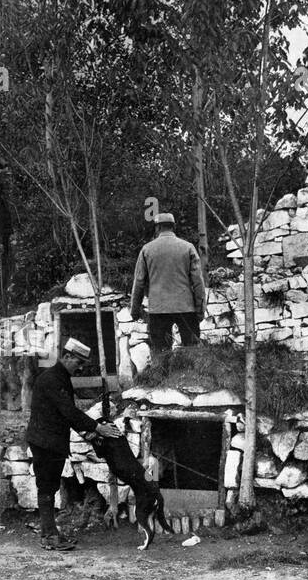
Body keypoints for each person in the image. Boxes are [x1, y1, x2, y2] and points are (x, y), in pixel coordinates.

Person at [26, 338, 123, 551]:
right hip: (45, 442)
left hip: (50, 441)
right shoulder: (52, 379)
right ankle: (49, 537)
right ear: (67, 356)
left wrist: (88, 433)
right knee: (47, 488)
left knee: (49, 487)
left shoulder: (60, 377)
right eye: (78, 363)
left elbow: (66, 415)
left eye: (82, 365)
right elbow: (69, 412)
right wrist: (98, 428)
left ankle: (49, 533)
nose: (80, 368)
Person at [130, 211, 207, 361]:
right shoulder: (188, 247)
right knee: (192, 351)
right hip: (186, 308)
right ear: (174, 227)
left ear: (157, 228)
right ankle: (191, 380)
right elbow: (198, 282)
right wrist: (200, 309)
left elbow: (138, 282)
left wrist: (135, 310)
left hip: (159, 309)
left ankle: (162, 380)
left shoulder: (147, 249)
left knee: (160, 353)